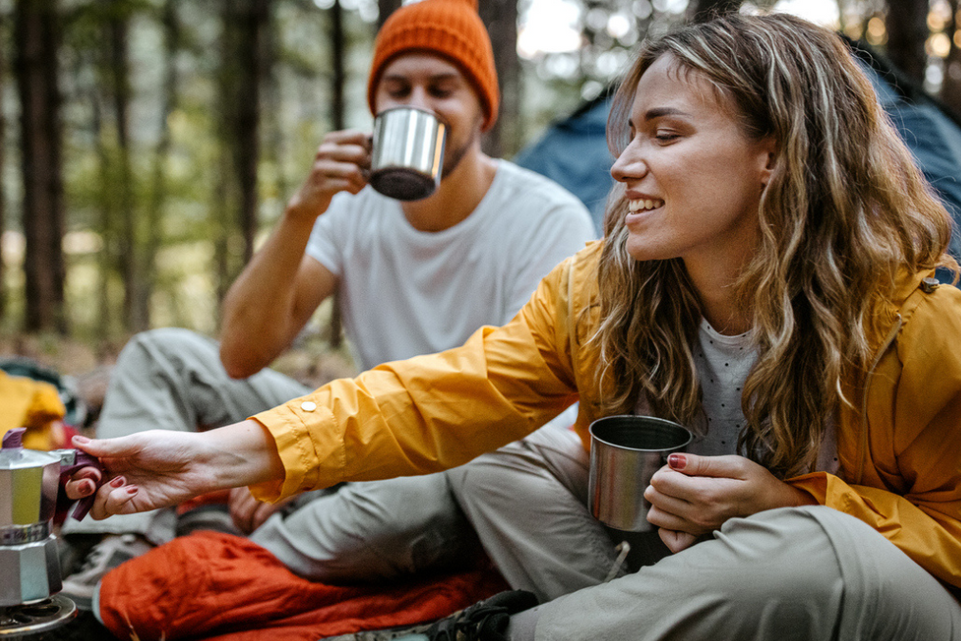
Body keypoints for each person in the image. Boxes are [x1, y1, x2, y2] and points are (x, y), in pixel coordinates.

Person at [68, 12, 961, 640]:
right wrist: (219, 455)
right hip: (654, 579)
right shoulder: (605, 293)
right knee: (491, 450)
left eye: (665, 133)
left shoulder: (919, 334)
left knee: (815, 550)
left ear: (776, 154)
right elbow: (441, 394)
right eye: (630, 132)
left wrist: (791, 500)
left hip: (854, 600)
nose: (624, 162)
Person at [60, 0, 596, 605]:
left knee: (411, 505)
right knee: (162, 355)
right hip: (348, 427)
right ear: (375, 109)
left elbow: (526, 421)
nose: (417, 104)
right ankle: (123, 547)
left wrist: (307, 464)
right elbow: (240, 355)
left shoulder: (544, 218)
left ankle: (210, 548)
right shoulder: (351, 206)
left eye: (442, 88)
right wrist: (302, 211)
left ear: (483, 112)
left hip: (454, 460)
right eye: (398, 89)